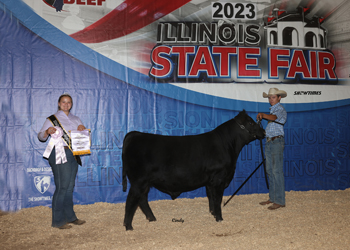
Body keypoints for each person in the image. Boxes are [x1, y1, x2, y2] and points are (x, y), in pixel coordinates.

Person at [38, 93, 86, 229]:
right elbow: (41, 136)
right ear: (59, 104)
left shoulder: (76, 119)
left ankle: (70, 217)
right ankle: (58, 221)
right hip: (58, 153)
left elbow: (82, 136)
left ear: (71, 104)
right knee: (62, 187)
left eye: (69, 102)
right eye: (63, 102)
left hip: (73, 153)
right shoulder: (52, 119)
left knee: (69, 188)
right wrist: (47, 131)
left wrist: (82, 129)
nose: (66, 104)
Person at [257, 88, 287, 210]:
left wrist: (263, 115)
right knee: (270, 170)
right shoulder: (272, 111)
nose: (271, 99)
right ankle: (273, 197)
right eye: (269, 97)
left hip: (276, 142)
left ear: (279, 98)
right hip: (269, 142)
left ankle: (280, 200)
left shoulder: (280, 109)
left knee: (276, 171)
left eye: (273, 97)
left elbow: (274, 118)